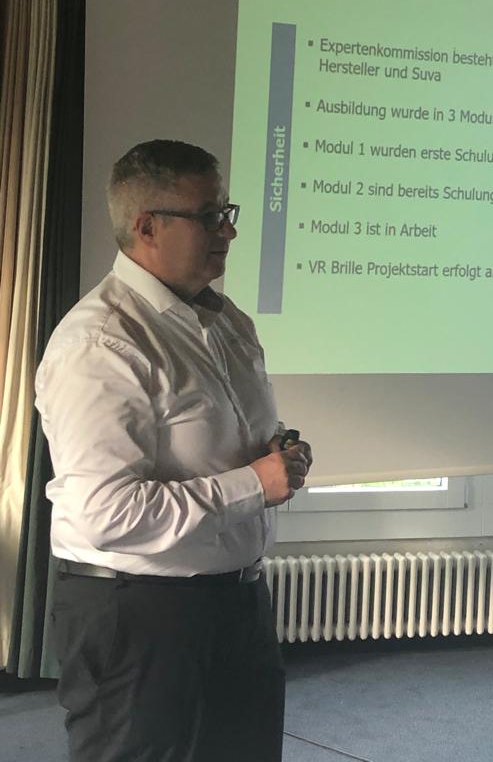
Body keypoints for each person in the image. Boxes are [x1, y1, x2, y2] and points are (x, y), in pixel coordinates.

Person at [36, 139, 311, 762]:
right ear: (147, 227)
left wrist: (277, 454)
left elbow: (223, 445)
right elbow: (107, 513)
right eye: (210, 216)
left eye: (227, 212)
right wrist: (254, 484)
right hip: (140, 616)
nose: (229, 231)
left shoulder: (229, 322)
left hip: (236, 602)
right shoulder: (101, 343)